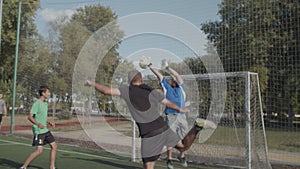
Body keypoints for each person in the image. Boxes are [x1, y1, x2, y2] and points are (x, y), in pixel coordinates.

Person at [85, 69, 209, 169]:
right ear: (142, 79)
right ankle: (196, 128)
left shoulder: (127, 90)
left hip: (150, 135)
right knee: (182, 147)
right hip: (163, 128)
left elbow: (107, 91)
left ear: (129, 81)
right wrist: (180, 109)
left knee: (149, 166)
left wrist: (92, 83)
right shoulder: (150, 90)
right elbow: (167, 102)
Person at [149, 61, 189, 169]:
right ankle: (169, 159)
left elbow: (177, 75)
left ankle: (182, 156)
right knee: (170, 139)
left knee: (185, 138)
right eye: (172, 79)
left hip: (181, 117)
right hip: (170, 116)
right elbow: (159, 75)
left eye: (175, 78)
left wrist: (168, 68)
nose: (174, 79)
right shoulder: (167, 88)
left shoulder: (182, 89)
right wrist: (150, 65)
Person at [20, 86, 57, 169]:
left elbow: (42, 116)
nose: (49, 94)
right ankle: (24, 167)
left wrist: (49, 122)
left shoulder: (45, 104)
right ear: (43, 93)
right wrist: (38, 124)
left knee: (54, 146)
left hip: (45, 130)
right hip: (39, 131)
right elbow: (29, 117)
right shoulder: (36, 103)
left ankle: (52, 167)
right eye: (48, 92)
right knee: (39, 150)